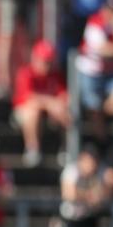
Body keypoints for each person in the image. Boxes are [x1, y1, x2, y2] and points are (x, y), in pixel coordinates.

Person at [75, 0, 113, 141]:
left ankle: (103, 117)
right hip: (91, 73)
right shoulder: (95, 22)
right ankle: (101, 141)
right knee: (93, 107)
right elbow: (101, 48)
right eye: (110, 10)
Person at [13, 39, 69, 167]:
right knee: (32, 112)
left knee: (64, 112)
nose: (47, 64)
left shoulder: (55, 75)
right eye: (44, 61)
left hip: (49, 115)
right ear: (35, 58)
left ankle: (65, 148)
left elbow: (64, 95)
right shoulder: (26, 73)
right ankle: (32, 149)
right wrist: (50, 103)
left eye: (49, 61)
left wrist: (58, 105)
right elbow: (29, 98)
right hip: (22, 114)